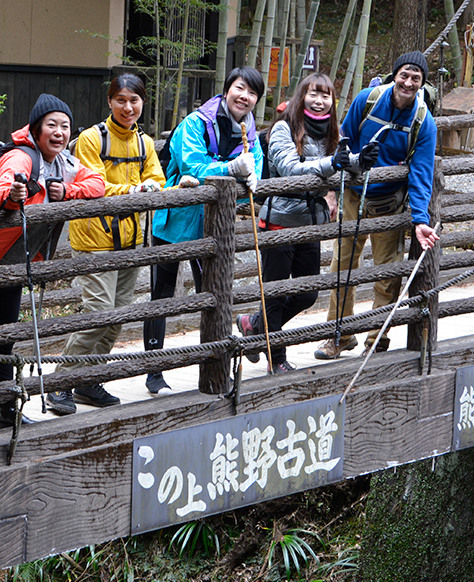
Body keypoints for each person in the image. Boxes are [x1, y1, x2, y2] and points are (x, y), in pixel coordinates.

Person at [0, 93, 105, 428]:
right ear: (36, 128)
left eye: (65, 125)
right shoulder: (21, 157)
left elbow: (98, 183)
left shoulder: (64, 164)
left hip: (15, 265)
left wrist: (67, 191)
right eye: (52, 125)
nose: (60, 132)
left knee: (2, 338)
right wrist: (12, 195)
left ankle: (6, 409)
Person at [45, 74, 166, 415]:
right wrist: (131, 191)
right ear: (110, 101)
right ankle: (59, 383)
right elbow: (93, 184)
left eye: (135, 101)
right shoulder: (90, 138)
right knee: (98, 314)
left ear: (143, 103)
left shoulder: (144, 143)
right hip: (94, 239)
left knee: (116, 318)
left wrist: (151, 187)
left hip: (129, 240)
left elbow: (155, 177)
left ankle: (87, 380)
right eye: (121, 100)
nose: (128, 107)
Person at [142, 66, 265, 395]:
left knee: (213, 294)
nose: (245, 97)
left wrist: (251, 176)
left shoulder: (249, 130)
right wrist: (232, 169)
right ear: (227, 89)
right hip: (177, 218)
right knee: (161, 294)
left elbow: (258, 164)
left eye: (252, 93)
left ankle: (214, 367)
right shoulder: (195, 123)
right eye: (240, 88)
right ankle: (154, 371)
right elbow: (192, 164)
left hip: (215, 225)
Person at [314, 50, 440, 360]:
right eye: (404, 75)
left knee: (388, 274)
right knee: (341, 266)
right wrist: (333, 188)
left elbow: (422, 173)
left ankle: (376, 340)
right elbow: (343, 139)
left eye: (416, 78)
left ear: (422, 83)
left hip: (390, 201)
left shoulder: (424, 122)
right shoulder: (368, 100)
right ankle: (338, 335)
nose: (408, 83)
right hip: (354, 196)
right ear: (394, 75)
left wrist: (420, 220)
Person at [236, 72, 347, 373]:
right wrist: (333, 164)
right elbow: (289, 168)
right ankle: (278, 359)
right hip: (279, 221)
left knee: (307, 293)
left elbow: (342, 171)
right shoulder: (284, 128)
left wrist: (359, 161)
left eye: (326, 95)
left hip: (310, 223)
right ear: (302, 95)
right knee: (274, 293)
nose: (320, 100)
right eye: (314, 93)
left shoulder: (332, 132)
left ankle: (253, 325)